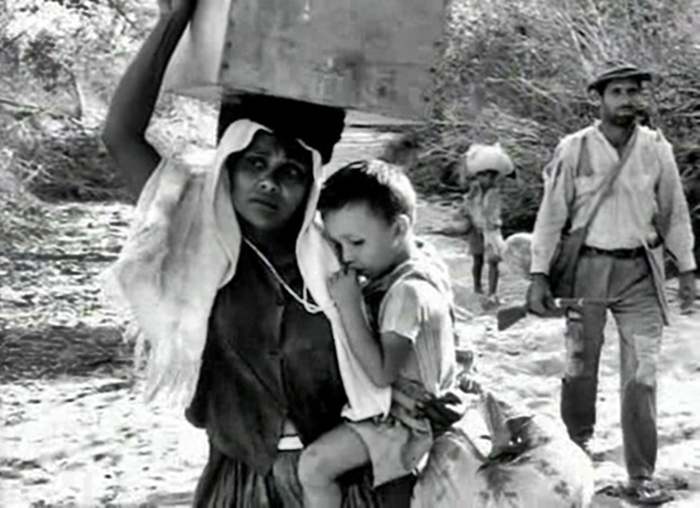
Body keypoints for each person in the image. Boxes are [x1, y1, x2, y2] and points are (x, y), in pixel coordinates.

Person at [101, 1, 464, 506]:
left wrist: (438, 390)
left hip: (342, 484)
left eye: (291, 171)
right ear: (228, 166)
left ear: (312, 180)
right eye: (255, 163)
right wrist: (173, 20)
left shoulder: (343, 258)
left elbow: (424, 319)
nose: (270, 182)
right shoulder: (193, 241)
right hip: (240, 482)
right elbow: (119, 135)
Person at [526, 61, 696, 504]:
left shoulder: (657, 150)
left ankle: (641, 475)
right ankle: (575, 454)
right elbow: (551, 216)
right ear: (598, 99)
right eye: (617, 93)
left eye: (634, 93)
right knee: (580, 367)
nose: (627, 101)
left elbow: (674, 212)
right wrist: (539, 274)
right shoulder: (574, 149)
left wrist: (689, 268)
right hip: (587, 271)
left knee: (642, 375)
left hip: (641, 271)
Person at [298, 160, 457, 507]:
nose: (346, 257)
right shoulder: (425, 260)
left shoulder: (406, 293)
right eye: (337, 246)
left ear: (399, 228)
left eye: (356, 242)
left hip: (406, 422)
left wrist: (350, 306)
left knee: (313, 466)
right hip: (404, 407)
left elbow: (382, 373)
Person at [460, 143, 514, 307]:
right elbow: (467, 200)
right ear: (478, 176)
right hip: (476, 227)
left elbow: (492, 212)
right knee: (477, 259)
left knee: (493, 261)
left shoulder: (495, 192)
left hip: (491, 229)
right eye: (484, 176)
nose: (488, 179)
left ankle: (492, 293)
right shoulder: (475, 189)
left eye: (491, 176)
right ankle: (477, 287)